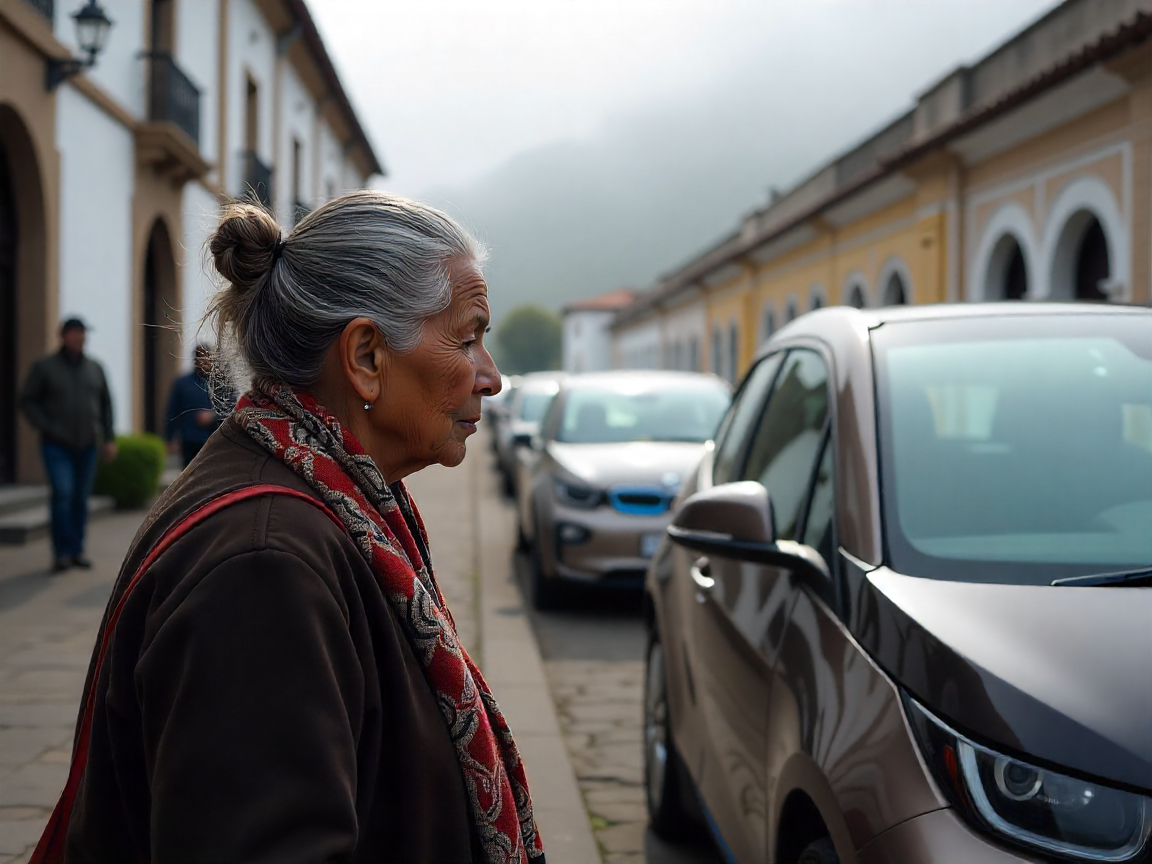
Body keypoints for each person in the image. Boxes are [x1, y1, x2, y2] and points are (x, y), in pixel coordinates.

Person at [36, 194, 545, 864]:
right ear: (365, 354)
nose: (492, 377)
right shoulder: (264, 565)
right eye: (469, 336)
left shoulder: (322, 503)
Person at [19, 318, 116, 573]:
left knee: (80, 499)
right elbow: (27, 400)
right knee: (62, 493)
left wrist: (108, 438)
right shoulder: (45, 367)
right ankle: (61, 553)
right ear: (62, 335)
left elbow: (106, 405)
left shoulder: (95, 368)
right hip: (56, 445)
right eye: (75, 333)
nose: (80, 337)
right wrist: (46, 425)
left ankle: (76, 550)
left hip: (87, 444)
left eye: (83, 333)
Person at [165, 343, 221, 466]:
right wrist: (170, 438)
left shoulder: (220, 384)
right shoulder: (182, 383)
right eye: (200, 358)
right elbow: (172, 411)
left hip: (212, 439)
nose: (204, 363)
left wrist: (212, 416)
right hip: (190, 440)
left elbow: (230, 409)